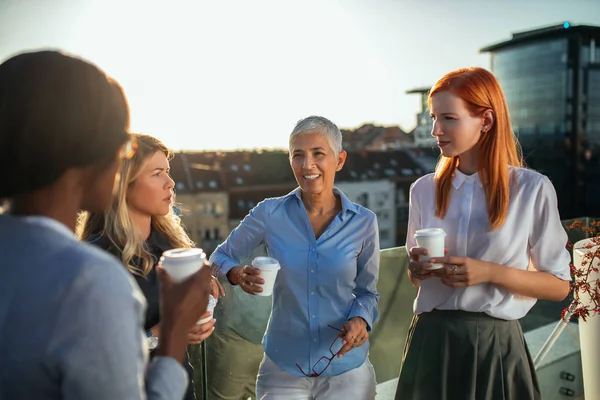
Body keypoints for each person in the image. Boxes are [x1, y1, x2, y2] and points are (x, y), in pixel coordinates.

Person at [0, 50, 213, 399]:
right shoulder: (88, 279)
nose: (122, 157)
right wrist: (173, 332)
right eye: (124, 145)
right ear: (89, 153)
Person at [395, 67, 571, 400]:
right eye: (433, 117)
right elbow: (417, 279)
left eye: (448, 118)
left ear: (486, 120)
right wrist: (416, 269)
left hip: (495, 345)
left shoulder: (532, 189)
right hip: (430, 342)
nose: (435, 130)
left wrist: (489, 273)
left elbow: (560, 285)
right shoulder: (422, 190)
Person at [210, 115, 380, 399]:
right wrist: (236, 274)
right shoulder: (268, 214)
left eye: (318, 154)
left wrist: (361, 320)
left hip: (345, 367)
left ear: (339, 160)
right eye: (298, 155)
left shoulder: (364, 222)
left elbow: (368, 293)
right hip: (283, 367)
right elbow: (219, 257)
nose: (307, 165)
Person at [78, 133, 223, 400]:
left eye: (167, 172)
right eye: (157, 173)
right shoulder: (93, 259)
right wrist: (165, 333)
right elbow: (91, 352)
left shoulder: (174, 250)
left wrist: (202, 287)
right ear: (124, 184)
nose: (170, 183)